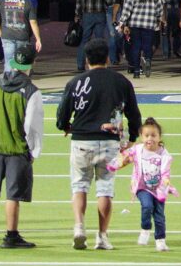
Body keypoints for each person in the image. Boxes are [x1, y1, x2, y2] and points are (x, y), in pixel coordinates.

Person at [57, 39, 142, 250]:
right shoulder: (121, 82)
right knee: (105, 188)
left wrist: (65, 126)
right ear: (108, 58)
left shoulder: (75, 82)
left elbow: (62, 114)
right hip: (109, 142)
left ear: (87, 60)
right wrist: (131, 139)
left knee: (79, 186)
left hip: (81, 140)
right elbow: (134, 113)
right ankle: (102, 236)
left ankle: (79, 227)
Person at [0, 45, 46, 249]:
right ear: (32, 64)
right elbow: (32, 125)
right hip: (16, 148)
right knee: (13, 195)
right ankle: (11, 235)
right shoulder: (31, 91)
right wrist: (33, 151)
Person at [127, 117, 176, 250]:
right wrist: (113, 165)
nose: (150, 139)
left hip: (159, 189)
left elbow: (165, 173)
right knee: (147, 206)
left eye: (154, 135)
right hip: (142, 187)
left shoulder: (164, 155)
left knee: (159, 216)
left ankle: (160, 239)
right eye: (146, 135)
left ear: (159, 137)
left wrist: (166, 184)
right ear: (142, 137)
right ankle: (145, 228)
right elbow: (125, 157)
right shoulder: (138, 150)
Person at [0, 0, 41, 72]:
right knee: (21, 62)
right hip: (22, 35)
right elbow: (33, 22)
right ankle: (20, 82)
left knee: (8, 61)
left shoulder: (3, 1)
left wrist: (0, 33)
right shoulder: (27, 2)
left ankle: (8, 83)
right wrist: (38, 38)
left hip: (7, 35)